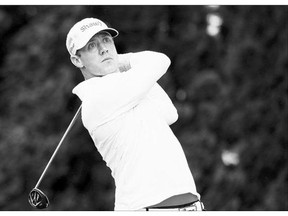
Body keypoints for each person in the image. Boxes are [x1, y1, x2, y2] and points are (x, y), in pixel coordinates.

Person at [66, 17, 204, 211]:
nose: (103, 49)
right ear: (77, 60)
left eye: (106, 40)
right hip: (144, 209)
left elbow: (169, 113)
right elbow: (160, 60)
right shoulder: (99, 97)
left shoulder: (127, 88)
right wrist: (124, 60)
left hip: (189, 207)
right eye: (92, 46)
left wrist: (125, 69)